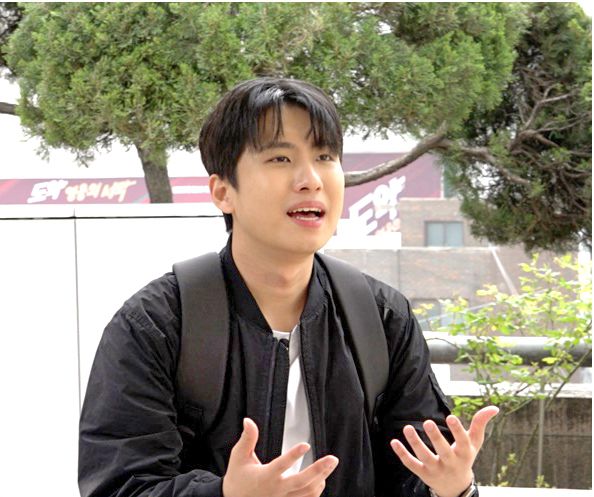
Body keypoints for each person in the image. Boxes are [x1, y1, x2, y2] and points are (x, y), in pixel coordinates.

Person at [78, 77, 498, 497]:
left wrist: (453, 489)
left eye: (325, 156)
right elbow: (120, 485)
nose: (310, 179)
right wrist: (226, 494)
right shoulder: (157, 325)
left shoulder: (381, 317)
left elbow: (414, 475)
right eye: (280, 158)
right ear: (223, 191)